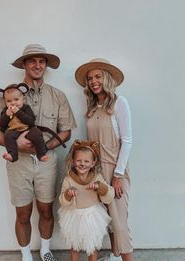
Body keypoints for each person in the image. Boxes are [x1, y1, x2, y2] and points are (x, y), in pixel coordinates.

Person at [0, 43, 77, 261]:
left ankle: (45, 251)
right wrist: (15, 144)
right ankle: (26, 255)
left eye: (42, 61)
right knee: (23, 212)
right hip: (18, 163)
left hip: (47, 161)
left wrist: (45, 147)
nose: (37, 65)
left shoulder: (58, 96)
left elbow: (66, 132)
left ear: (46, 66)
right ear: (24, 65)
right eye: (32, 61)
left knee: (46, 209)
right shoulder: (9, 95)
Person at [75, 58, 133, 261]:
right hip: (95, 171)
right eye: (90, 78)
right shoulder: (91, 107)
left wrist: (118, 175)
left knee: (119, 221)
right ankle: (115, 256)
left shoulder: (119, 103)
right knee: (106, 219)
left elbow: (127, 141)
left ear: (106, 78)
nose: (93, 81)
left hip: (114, 169)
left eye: (98, 76)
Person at [58, 139, 115, 261]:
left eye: (86, 161)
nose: (82, 164)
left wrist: (100, 187)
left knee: (92, 247)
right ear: (73, 161)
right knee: (74, 246)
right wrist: (68, 194)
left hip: (92, 216)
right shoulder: (69, 179)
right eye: (79, 160)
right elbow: (62, 200)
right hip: (74, 216)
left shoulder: (96, 177)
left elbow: (109, 196)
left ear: (93, 163)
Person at [0, 83, 48, 162]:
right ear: (5, 102)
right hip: (14, 130)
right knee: (7, 136)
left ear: (23, 99)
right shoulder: (5, 110)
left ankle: (41, 154)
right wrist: (6, 115)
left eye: (16, 99)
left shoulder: (26, 108)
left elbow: (31, 121)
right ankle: (12, 155)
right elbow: (1, 125)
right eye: (9, 101)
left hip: (28, 129)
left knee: (37, 133)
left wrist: (18, 112)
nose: (13, 103)